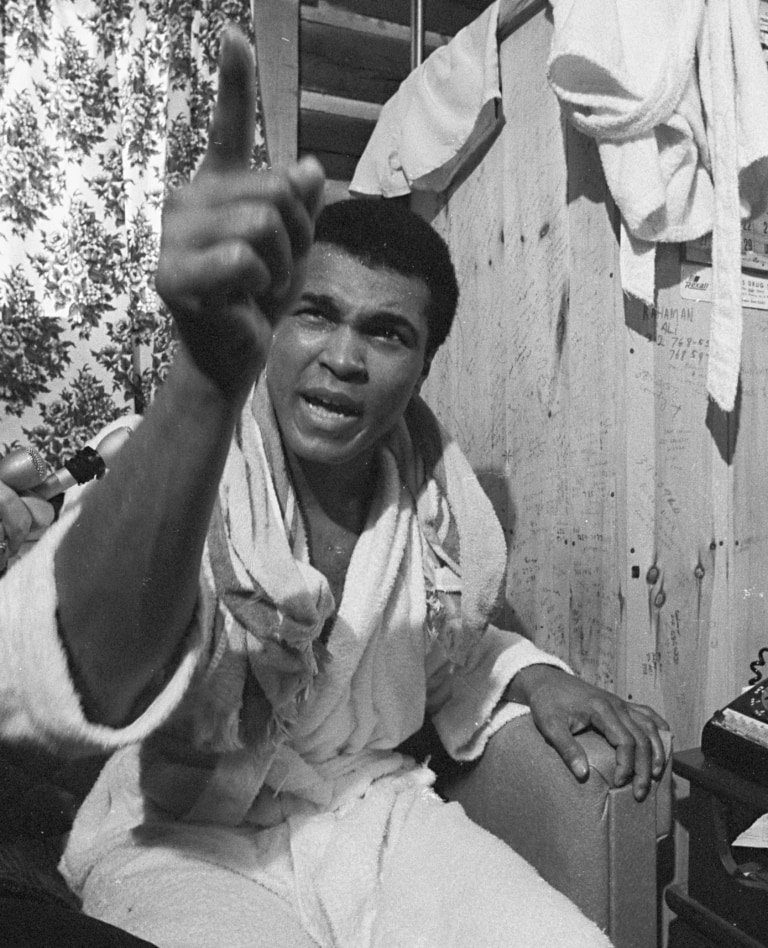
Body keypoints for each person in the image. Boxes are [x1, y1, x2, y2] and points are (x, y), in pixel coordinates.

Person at [0, 26, 669, 948]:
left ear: (423, 365)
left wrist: (537, 674)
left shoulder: (437, 509)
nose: (343, 360)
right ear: (271, 324)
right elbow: (92, 626)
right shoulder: (177, 462)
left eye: (387, 334)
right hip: (180, 836)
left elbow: (437, 640)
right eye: (315, 313)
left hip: (366, 815)